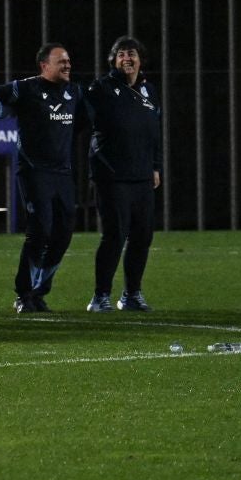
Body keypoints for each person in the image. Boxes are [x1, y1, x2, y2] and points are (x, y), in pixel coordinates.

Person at [0, 43, 90, 312]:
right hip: (34, 171)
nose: (67, 65)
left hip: (63, 173)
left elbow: (83, 122)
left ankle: (39, 292)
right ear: (44, 66)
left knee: (63, 234)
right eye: (61, 61)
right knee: (40, 230)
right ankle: (24, 294)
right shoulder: (26, 88)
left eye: (68, 61)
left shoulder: (75, 92)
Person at [85, 36, 163, 312]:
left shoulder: (148, 90)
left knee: (142, 236)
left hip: (142, 175)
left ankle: (131, 294)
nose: (127, 59)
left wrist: (156, 167)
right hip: (112, 176)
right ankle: (100, 296)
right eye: (121, 54)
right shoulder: (102, 88)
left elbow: (155, 132)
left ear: (141, 60)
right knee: (115, 236)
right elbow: (86, 122)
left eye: (132, 54)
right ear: (113, 61)